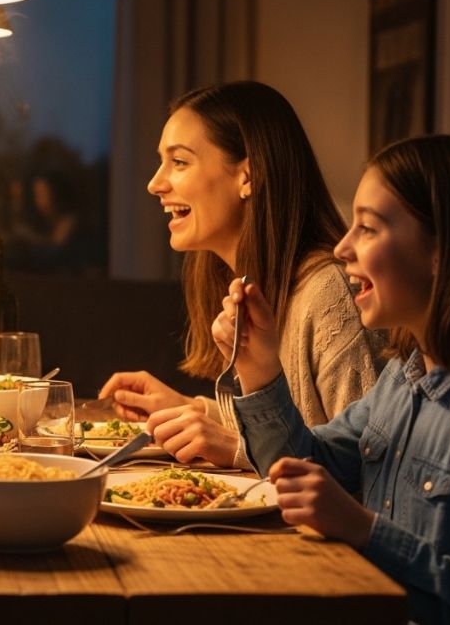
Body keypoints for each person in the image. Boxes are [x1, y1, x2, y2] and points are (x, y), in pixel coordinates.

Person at [218, 134, 450, 624]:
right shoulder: (401, 376)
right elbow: (305, 468)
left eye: (368, 228)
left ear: (443, 250)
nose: (342, 247)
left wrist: (365, 531)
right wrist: (259, 363)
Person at [99, 81, 385, 467]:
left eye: (179, 162)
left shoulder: (330, 294)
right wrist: (194, 410)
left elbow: (368, 467)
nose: (155, 184)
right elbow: (296, 426)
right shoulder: (243, 279)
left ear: (247, 177)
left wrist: (235, 447)